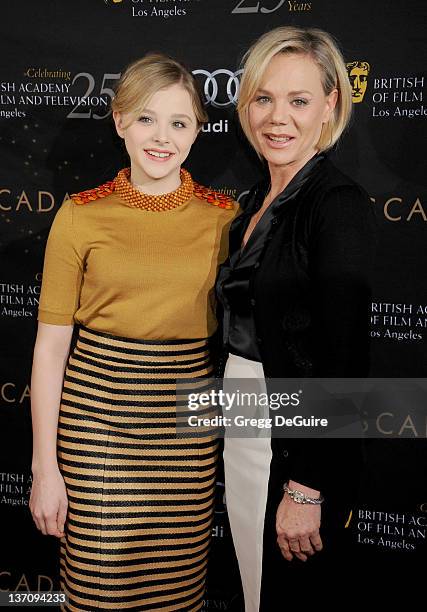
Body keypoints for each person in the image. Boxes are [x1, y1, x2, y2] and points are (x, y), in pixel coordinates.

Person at [29, 53, 237, 612]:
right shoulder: (80, 215)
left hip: (188, 433)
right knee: (99, 591)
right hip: (96, 429)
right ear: (119, 121)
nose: (161, 137)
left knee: (177, 595)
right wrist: (44, 469)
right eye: (145, 118)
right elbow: (51, 350)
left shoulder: (225, 219)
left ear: (199, 130)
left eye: (178, 122)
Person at [216, 27, 376, 610]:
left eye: (298, 100)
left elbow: (346, 359)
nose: (276, 118)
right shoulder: (254, 202)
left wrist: (308, 485)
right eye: (264, 98)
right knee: (255, 585)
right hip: (242, 422)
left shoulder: (335, 204)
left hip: (294, 438)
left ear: (331, 103)